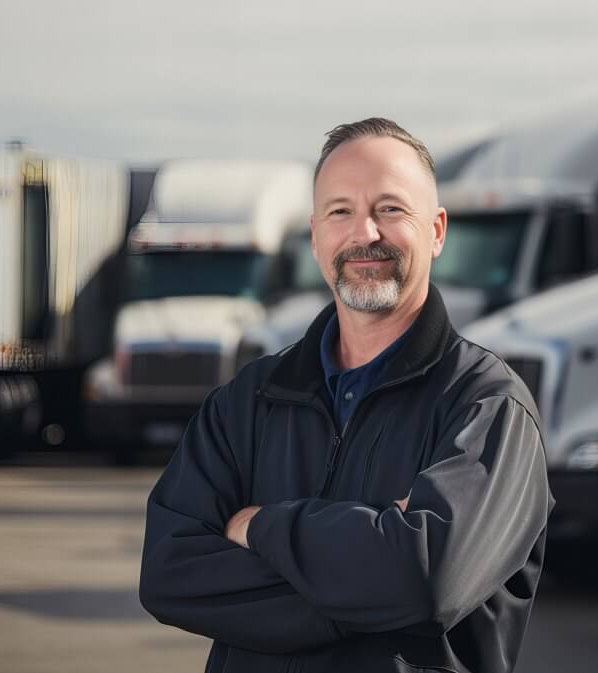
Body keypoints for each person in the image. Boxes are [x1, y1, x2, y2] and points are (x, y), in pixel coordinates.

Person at [140, 118, 553, 673]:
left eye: (390, 209)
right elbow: (169, 572)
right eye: (340, 211)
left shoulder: (486, 406)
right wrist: (369, 576)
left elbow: (428, 581)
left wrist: (260, 527)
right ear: (315, 235)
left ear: (436, 230)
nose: (365, 233)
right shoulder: (247, 401)